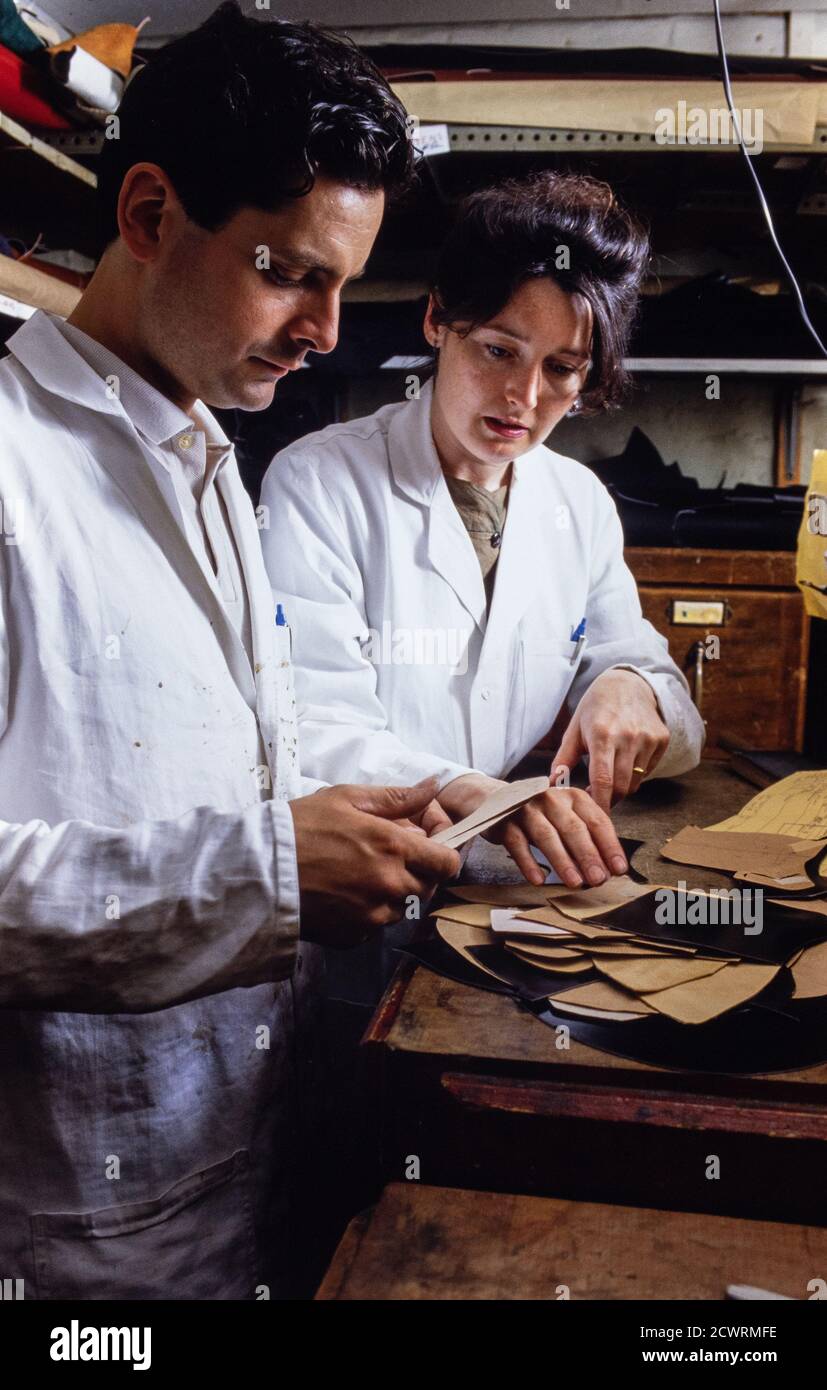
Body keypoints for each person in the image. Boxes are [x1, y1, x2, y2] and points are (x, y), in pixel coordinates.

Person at [0, 2, 459, 1301]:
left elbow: (241, 738)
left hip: (234, 1163)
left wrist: (412, 796)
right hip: (72, 1240)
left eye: (342, 281)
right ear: (148, 214)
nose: (324, 330)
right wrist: (264, 872)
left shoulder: (205, 452)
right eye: (288, 271)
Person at [261, 172, 705, 889]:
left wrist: (630, 685)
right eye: (499, 350)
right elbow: (308, 725)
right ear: (438, 319)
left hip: (500, 884)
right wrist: (475, 790)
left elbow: (669, 709)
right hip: (358, 891)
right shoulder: (319, 483)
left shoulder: (578, 502)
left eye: (561, 369)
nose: (523, 399)